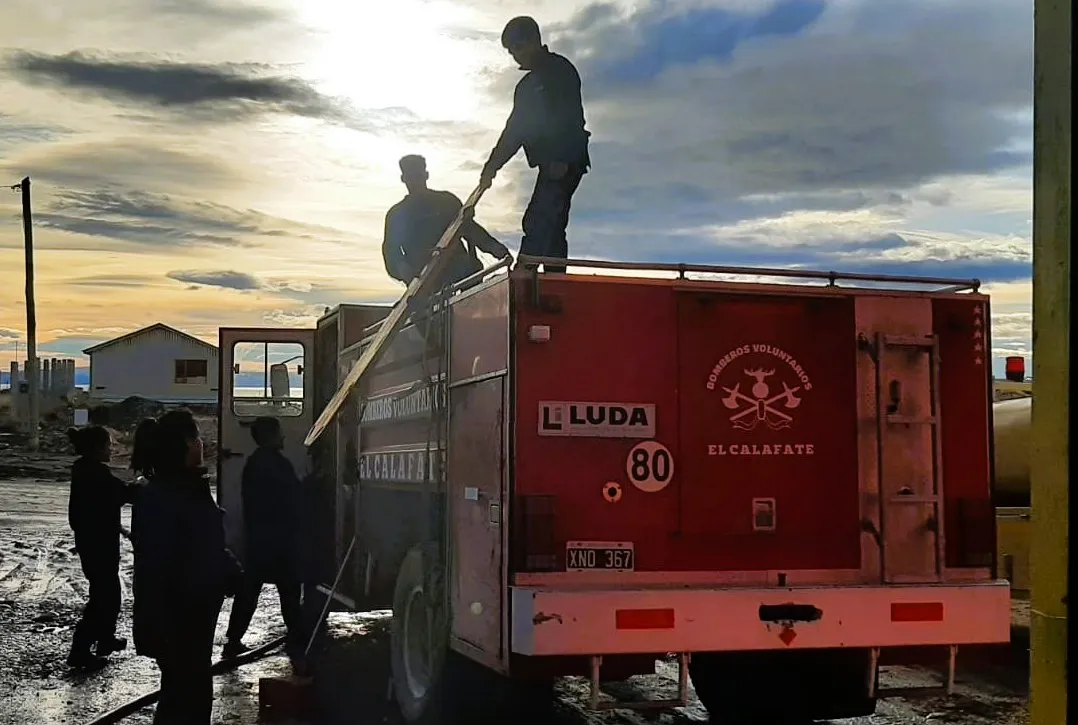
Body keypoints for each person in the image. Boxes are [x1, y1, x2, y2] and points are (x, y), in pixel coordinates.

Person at [130, 410, 242, 725]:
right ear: (182, 444)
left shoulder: (179, 488)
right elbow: (166, 561)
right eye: (195, 438)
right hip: (180, 617)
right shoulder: (170, 494)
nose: (201, 444)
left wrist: (230, 570)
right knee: (186, 698)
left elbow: (207, 546)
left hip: (188, 615)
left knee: (183, 691)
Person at [479, 15, 591, 274]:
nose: (515, 56)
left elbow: (570, 117)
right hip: (548, 164)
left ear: (531, 41)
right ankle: (554, 283)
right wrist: (491, 167)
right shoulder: (526, 86)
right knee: (552, 226)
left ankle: (524, 275)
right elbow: (514, 131)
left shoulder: (560, 70)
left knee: (539, 219)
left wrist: (562, 158)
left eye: (516, 48)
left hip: (566, 161)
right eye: (510, 52)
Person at [222, 416, 306, 668]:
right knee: (290, 591)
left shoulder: (253, 464)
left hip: (259, 540)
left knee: (249, 592)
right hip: (280, 541)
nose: (283, 437)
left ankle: (234, 638)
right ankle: (296, 637)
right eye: (279, 433)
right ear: (271, 436)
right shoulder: (279, 466)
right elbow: (295, 497)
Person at [382, 154, 511, 293]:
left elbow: (470, 229)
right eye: (411, 176)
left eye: (418, 175)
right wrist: (403, 270)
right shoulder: (396, 215)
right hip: (424, 284)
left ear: (426, 175)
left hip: (461, 275)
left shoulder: (447, 201)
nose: (415, 180)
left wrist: (495, 248)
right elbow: (391, 252)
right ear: (403, 179)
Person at [65, 425, 139, 669]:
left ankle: (105, 640)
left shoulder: (86, 470)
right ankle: (80, 650)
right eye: (108, 445)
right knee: (104, 597)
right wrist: (144, 486)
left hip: (92, 542)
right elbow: (123, 494)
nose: (112, 448)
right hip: (98, 545)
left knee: (107, 593)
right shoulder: (95, 474)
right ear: (97, 448)